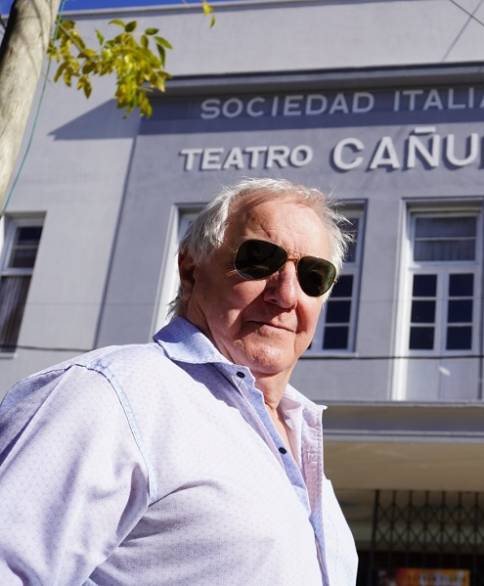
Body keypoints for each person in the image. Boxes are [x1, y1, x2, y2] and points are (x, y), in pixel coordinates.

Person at [0, 179, 358, 584]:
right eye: (259, 260)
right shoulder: (109, 395)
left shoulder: (299, 431)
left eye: (313, 275)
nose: (287, 294)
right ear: (190, 271)